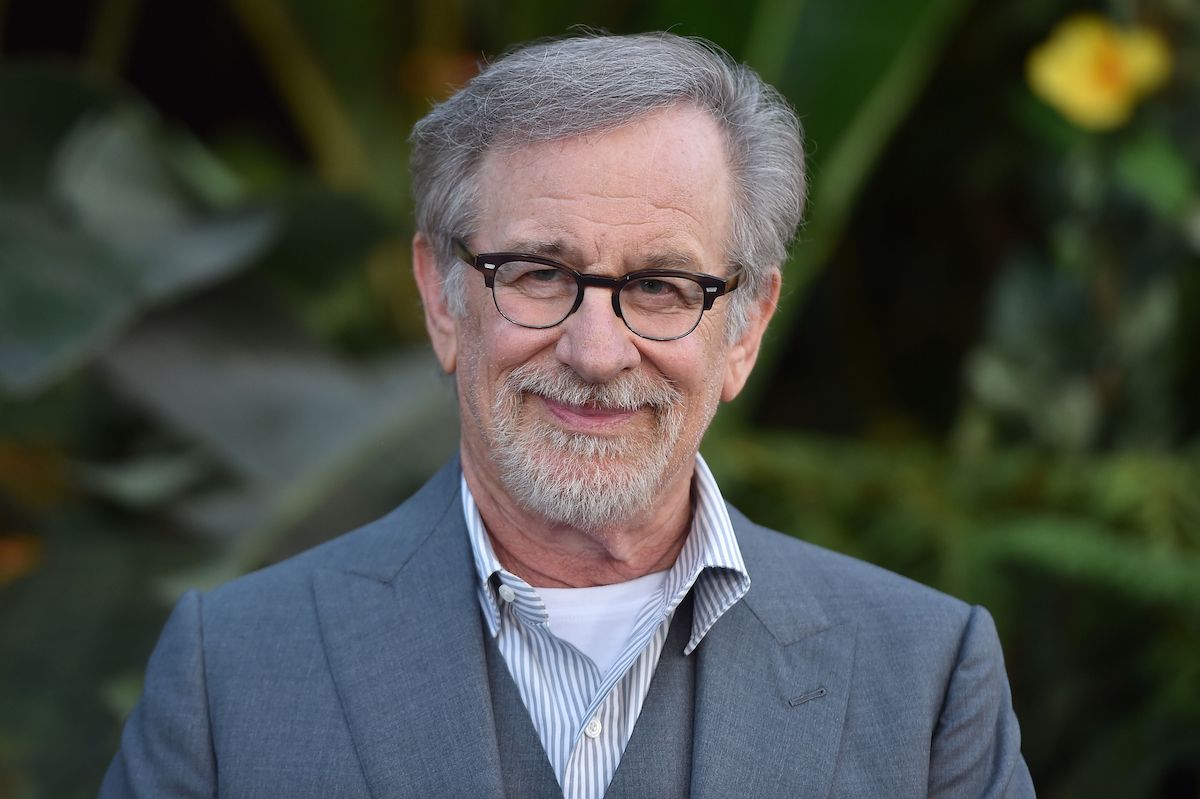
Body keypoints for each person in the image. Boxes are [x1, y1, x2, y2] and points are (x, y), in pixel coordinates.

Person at [101, 32, 1034, 799]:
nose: (596, 351)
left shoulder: (926, 681)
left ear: (745, 329)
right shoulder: (230, 675)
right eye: (540, 274)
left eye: (663, 286)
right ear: (442, 297)